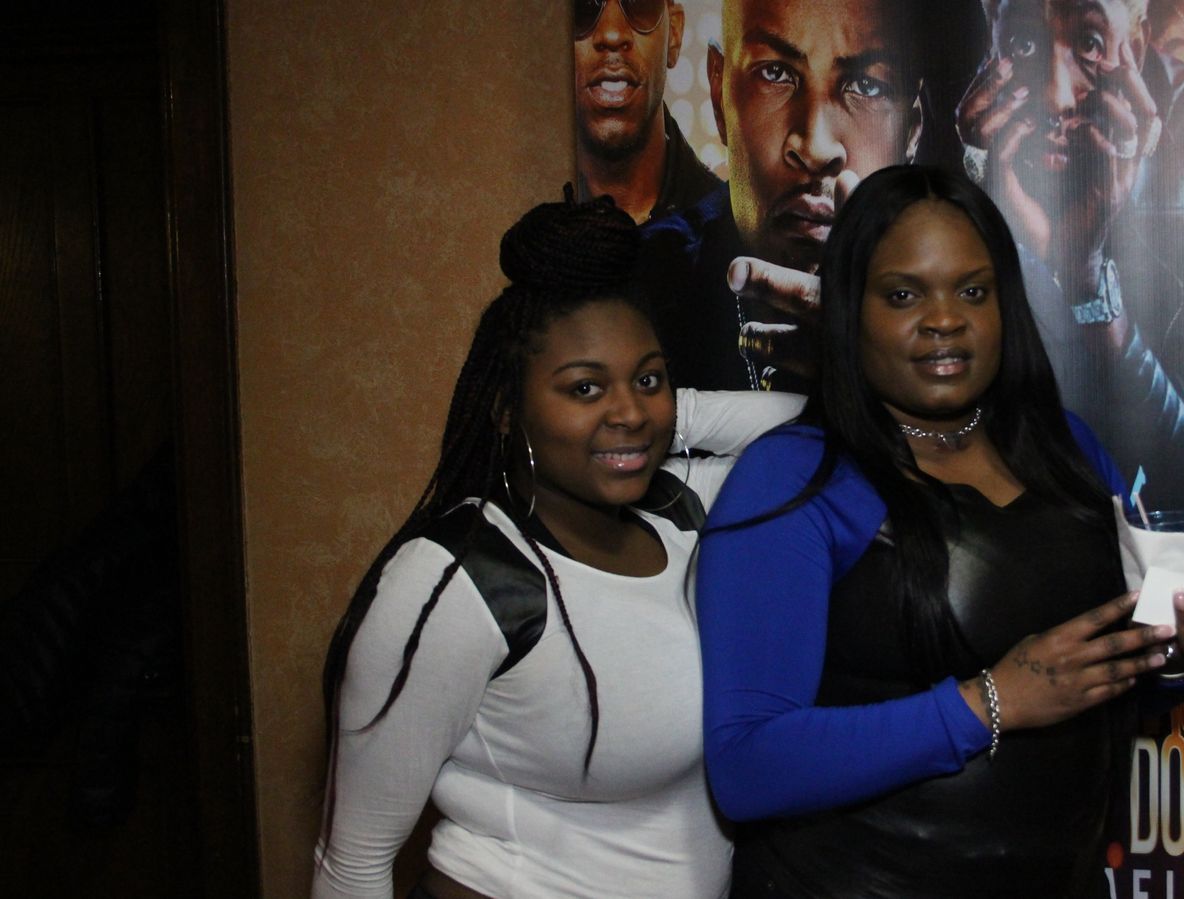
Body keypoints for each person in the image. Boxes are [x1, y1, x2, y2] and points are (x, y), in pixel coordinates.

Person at [695, 165, 1184, 898]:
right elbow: (747, 766)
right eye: (903, 295)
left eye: (973, 291)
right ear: (849, 310)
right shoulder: (794, 476)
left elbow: (1095, 695)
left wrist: (1171, 659)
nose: (945, 319)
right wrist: (991, 701)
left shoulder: (1067, 449)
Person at [312, 193, 802, 899]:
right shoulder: (460, 579)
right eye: (584, 388)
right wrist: (643, 413)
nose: (627, 409)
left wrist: (671, 414)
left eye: (648, 378)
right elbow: (352, 863)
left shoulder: (681, 509)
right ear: (506, 407)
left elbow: (824, 435)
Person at [956, 0, 1184, 515]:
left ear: (1134, 47)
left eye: (1090, 44)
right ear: (991, 39)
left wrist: (1085, 278)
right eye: (1023, 44)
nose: (1054, 95)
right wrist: (984, 209)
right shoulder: (966, 130)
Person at [638, 0, 939, 392]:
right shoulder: (633, 291)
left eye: (867, 86)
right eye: (775, 73)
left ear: (912, 131)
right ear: (719, 92)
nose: (816, 148)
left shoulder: (967, 299)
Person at [573, 0, 720, 223]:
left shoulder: (733, 233)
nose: (612, 34)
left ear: (674, 34)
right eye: (584, 5)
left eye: (639, 2)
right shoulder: (520, 219)